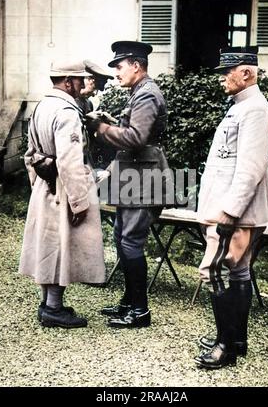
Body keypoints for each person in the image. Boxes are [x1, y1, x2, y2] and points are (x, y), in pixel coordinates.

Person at [194, 46, 268, 368]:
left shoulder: (253, 109)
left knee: (213, 269)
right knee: (239, 271)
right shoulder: (241, 106)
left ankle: (225, 345)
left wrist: (229, 213)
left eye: (228, 71)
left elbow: (251, 168)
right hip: (235, 209)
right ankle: (235, 340)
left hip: (236, 211)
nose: (223, 78)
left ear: (247, 73)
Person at [90, 41, 172, 328]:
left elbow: (136, 138)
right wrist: (112, 122)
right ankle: (128, 301)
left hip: (144, 178)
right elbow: (136, 132)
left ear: (136, 65)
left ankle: (140, 311)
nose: (116, 73)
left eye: (120, 66)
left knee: (131, 243)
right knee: (121, 238)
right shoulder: (140, 92)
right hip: (135, 176)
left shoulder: (147, 94)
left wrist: (100, 128)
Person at [19, 61, 106, 329]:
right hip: (64, 188)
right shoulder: (66, 111)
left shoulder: (42, 106)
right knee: (60, 246)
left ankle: (48, 303)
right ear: (67, 81)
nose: (82, 84)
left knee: (48, 245)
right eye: (79, 80)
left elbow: (30, 153)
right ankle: (54, 309)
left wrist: (37, 183)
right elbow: (70, 162)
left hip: (47, 186)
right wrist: (79, 202)